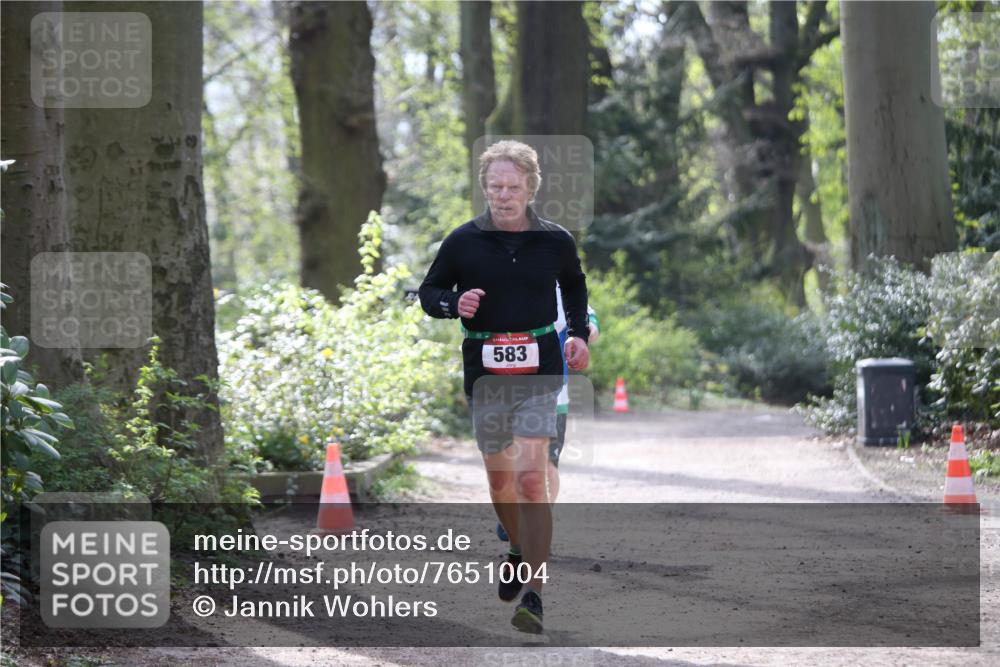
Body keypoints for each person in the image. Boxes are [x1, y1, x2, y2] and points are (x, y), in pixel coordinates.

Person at [419, 140, 591, 634]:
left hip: (540, 369)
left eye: (513, 186)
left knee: (533, 479)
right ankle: (515, 547)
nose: (503, 194)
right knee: (501, 481)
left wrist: (577, 333)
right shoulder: (462, 242)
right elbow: (430, 292)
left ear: (531, 188)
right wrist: (455, 303)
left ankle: (534, 594)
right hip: (486, 372)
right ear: (484, 187)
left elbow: (574, 284)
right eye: (495, 186)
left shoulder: (555, 240)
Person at [496, 290, 598, 542]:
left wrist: (585, 333)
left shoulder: (563, 288)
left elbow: (591, 324)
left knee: (548, 462)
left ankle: (541, 521)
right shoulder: (504, 278)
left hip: (555, 393)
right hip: (509, 389)